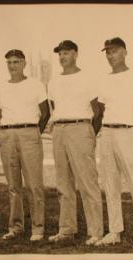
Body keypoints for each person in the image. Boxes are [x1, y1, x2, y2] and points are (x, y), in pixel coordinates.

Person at [91, 37, 133, 249]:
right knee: (110, 184)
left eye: (114, 51)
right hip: (107, 133)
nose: (110, 56)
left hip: (129, 132)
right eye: (107, 52)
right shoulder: (104, 79)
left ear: (125, 52)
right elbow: (99, 111)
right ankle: (115, 231)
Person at [47, 40, 104, 245]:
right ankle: (66, 229)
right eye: (60, 54)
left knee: (87, 182)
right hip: (59, 129)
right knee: (63, 183)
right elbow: (55, 107)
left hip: (81, 127)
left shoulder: (87, 77)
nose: (62, 57)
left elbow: (97, 111)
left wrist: (88, 134)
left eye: (66, 53)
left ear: (75, 54)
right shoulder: (53, 81)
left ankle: (96, 231)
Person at [0, 49, 50, 242]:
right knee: (13, 186)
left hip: (29, 132)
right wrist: (6, 130)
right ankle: (15, 226)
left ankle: (38, 228)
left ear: (24, 63)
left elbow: (45, 112)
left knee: (34, 184)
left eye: (16, 62)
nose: (12, 66)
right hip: (8, 134)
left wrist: (33, 132)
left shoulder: (35, 84)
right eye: (9, 62)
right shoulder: (1, 87)